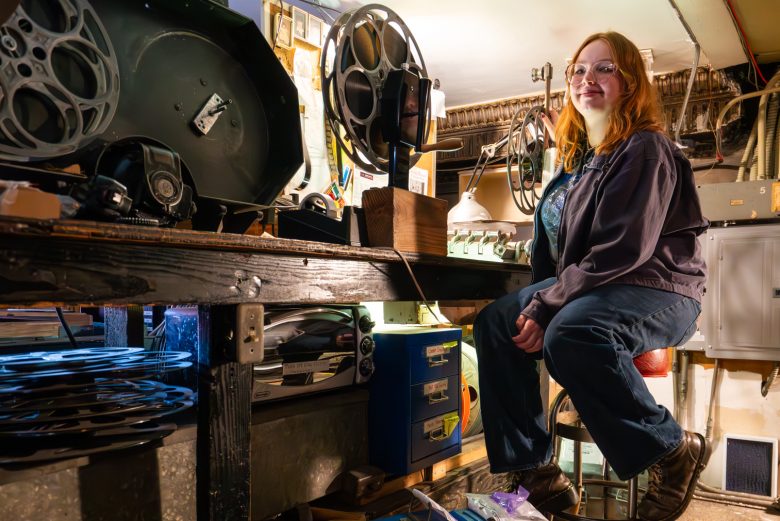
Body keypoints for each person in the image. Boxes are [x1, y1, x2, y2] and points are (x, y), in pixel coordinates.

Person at [474, 31, 709, 521]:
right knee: (497, 323)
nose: (589, 79)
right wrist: (536, 302)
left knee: (573, 332)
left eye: (605, 69)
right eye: (580, 70)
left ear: (630, 83)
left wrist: (547, 305)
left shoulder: (644, 148)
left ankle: (672, 451)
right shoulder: (580, 164)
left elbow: (622, 249)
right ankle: (537, 474)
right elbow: (561, 257)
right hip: (601, 284)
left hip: (658, 286)